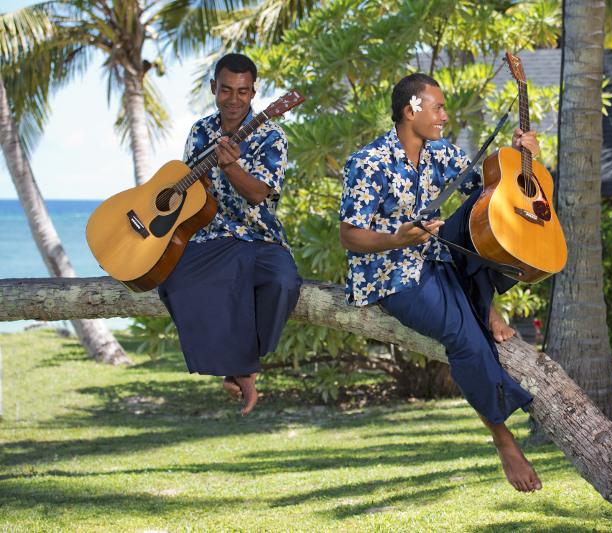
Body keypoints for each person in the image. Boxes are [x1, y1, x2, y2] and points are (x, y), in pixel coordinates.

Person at [338, 73, 543, 492]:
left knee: (485, 210)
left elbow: (498, 194)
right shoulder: (368, 162)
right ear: (410, 110)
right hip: (391, 274)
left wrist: (524, 158)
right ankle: (503, 438)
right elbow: (350, 235)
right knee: (464, 337)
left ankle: (484, 305)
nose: (445, 116)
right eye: (438, 107)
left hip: (439, 258)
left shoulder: (443, 153)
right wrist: (397, 239)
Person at [157, 53, 301, 416]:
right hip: (208, 235)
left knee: (283, 282)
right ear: (213, 88)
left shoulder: (271, 135)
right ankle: (240, 368)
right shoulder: (199, 131)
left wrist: (231, 166)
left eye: (242, 91)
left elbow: (258, 193)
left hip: (259, 236)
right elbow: (188, 186)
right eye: (226, 90)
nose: (233, 99)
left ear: (254, 93)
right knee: (172, 279)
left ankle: (241, 365)